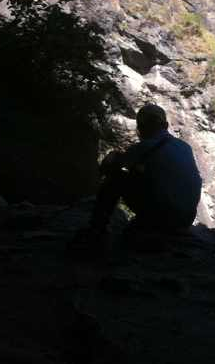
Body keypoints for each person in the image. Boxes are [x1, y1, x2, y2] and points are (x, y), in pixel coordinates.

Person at [76, 103, 202, 253]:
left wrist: (110, 162)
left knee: (117, 178)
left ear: (140, 128)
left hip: (165, 217)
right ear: (166, 125)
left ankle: (96, 231)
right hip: (186, 218)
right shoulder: (184, 146)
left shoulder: (143, 147)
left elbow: (110, 167)